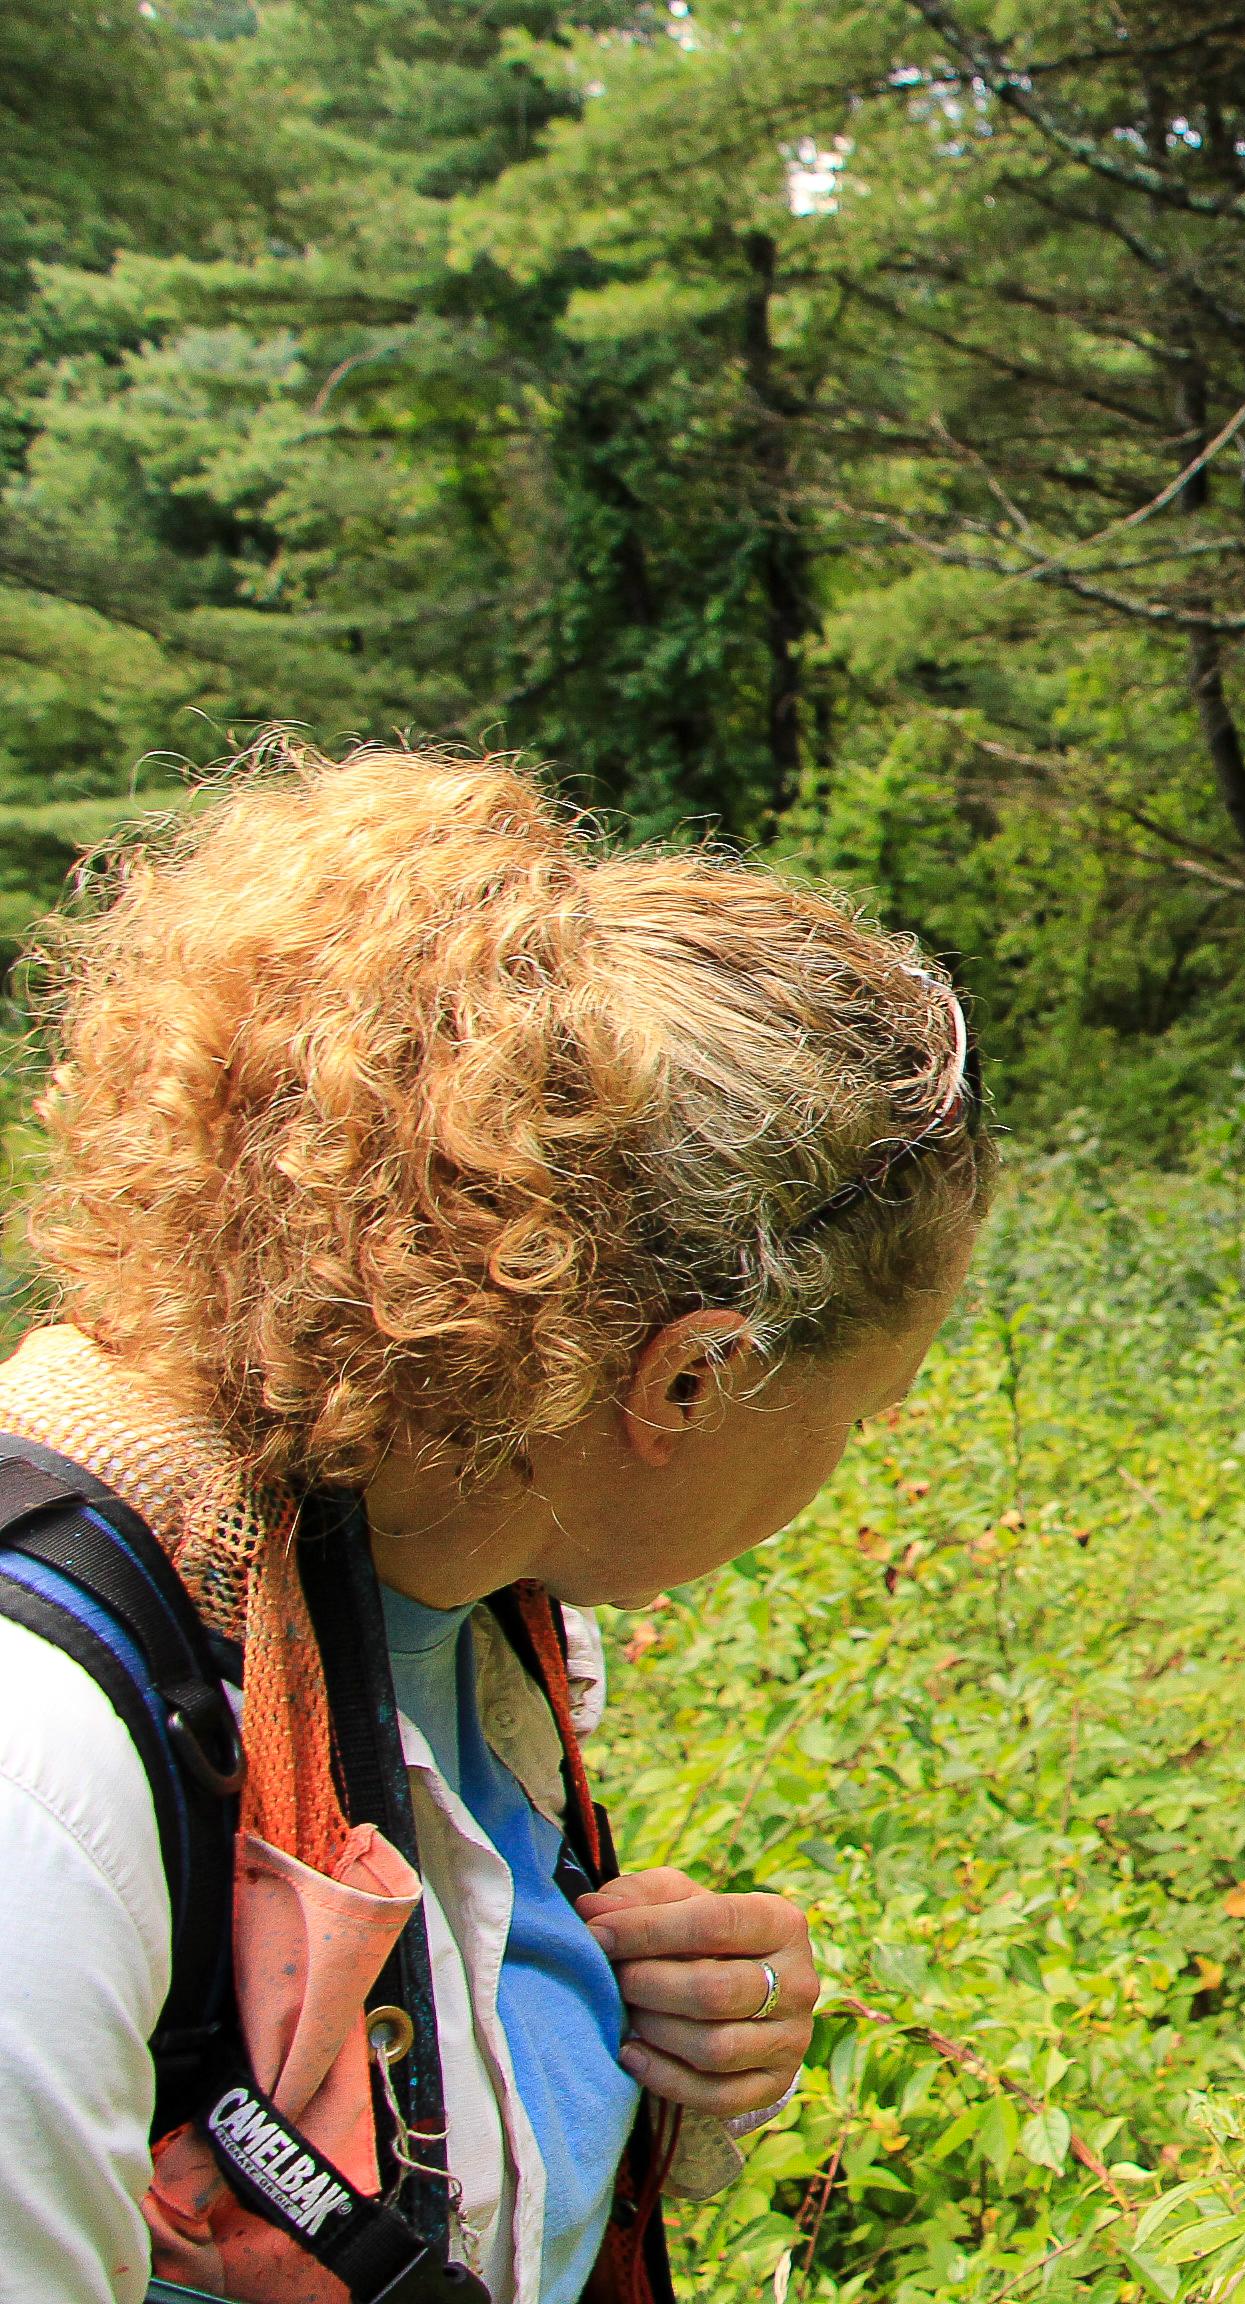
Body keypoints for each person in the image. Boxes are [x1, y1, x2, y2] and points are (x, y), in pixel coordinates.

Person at [0, 745, 994, 2303]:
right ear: (689, 1376)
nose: (859, 1455)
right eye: (865, 1409)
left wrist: (619, 2027)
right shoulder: (46, 1783)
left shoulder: (459, 1576)